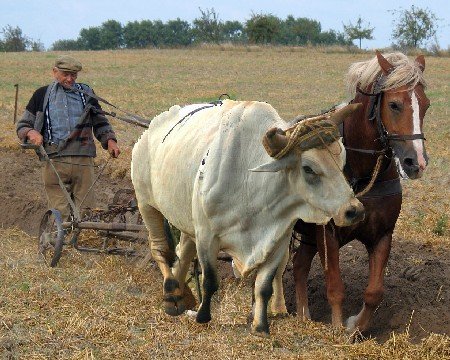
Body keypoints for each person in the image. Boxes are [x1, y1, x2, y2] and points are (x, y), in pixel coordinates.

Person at [16, 55, 120, 220]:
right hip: (54, 160)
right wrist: (31, 132)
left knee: (87, 210)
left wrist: (110, 141)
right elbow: (23, 125)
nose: (70, 79)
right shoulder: (41, 95)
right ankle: (62, 240)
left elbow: (100, 121)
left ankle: (82, 240)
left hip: (83, 159)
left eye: (74, 75)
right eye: (65, 74)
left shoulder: (86, 93)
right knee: (59, 210)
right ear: (54, 72)